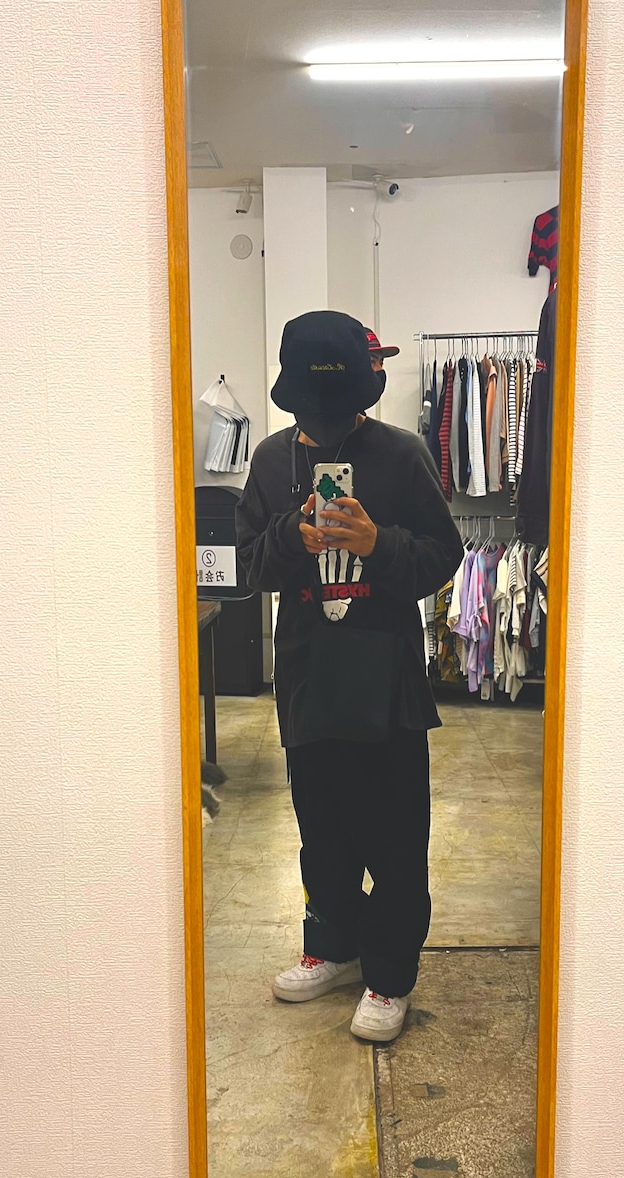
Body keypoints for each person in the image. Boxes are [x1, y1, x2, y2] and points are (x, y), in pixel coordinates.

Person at [235, 310, 464, 1043]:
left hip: (386, 685)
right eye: (309, 414)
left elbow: (444, 557)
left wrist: (376, 544)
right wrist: (290, 536)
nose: (321, 426)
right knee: (321, 831)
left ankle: (389, 977)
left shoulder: (400, 455)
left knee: (395, 839)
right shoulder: (271, 462)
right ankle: (333, 947)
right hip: (308, 680)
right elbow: (249, 566)